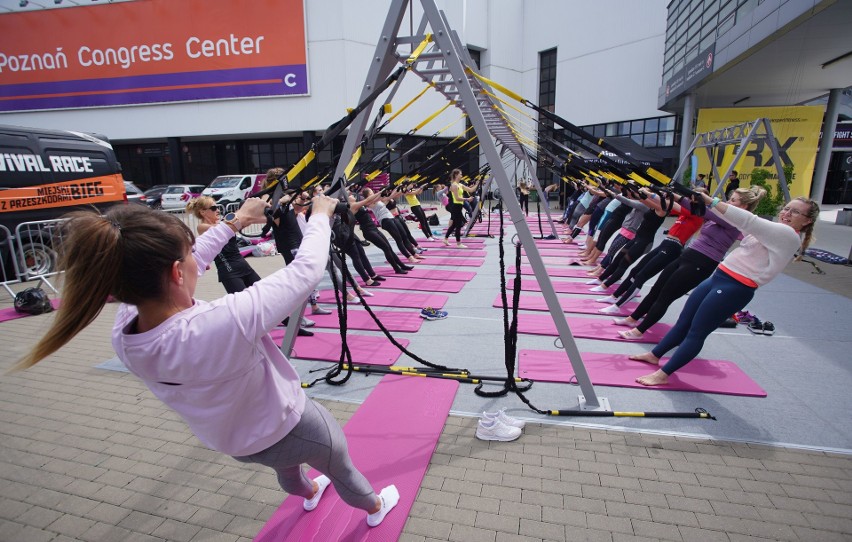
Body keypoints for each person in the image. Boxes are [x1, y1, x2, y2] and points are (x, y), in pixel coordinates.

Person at [12, 196, 400, 526]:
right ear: (177, 272)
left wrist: (236, 222)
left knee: (287, 469)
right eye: (188, 258)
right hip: (291, 424)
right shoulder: (224, 321)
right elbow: (306, 270)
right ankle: (375, 506)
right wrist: (320, 214)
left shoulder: (126, 328)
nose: (198, 261)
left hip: (237, 442)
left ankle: (311, 490)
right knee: (341, 466)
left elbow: (185, 258)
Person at [631, 194, 819, 386]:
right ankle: (655, 355)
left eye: (795, 212)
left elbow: (749, 220)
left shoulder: (787, 235)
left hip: (736, 287)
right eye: (786, 208)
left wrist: (710, 200)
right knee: (684, 322)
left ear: (807, 221)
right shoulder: (773, 231)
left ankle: (663, 374)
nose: (787, 213)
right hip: (719, 277)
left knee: (697, 332)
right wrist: (686, 197)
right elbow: (728, 218)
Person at [614, 186, 763, 339]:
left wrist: (678, 197)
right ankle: (633, 319)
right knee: (657, 288)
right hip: (688, 254)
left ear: (744, 206)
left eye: (733, 200)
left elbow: (705, 211)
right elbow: (694, 209)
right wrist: (664, 195)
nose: (728, 202)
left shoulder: (737, 220)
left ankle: (639, 332)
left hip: (702, 262)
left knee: (665, 296)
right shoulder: (723, 216)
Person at [186, 196, 261, 294]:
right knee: (243, 303)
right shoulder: (202, 227)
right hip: (229, 270)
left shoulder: (223, 223)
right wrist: (240, 214)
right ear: (202, 212)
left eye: (217, 207)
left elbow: (238, 223)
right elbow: (226, 226)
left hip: (243, 265)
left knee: (262, 293)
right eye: (213, 208)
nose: (217, 210)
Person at [443, 169, 480, 248]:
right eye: (460, 174)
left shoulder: (460, 185)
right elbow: (457, 198)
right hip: (456, 206)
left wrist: (477, 184)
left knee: (454, 225)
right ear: (456, 175)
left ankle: (445, 239)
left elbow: (471, 190)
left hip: (459, 206)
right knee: (459, 225)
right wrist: (467, 199)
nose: (461, 176)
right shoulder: (454, 185)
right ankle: (458, 243)